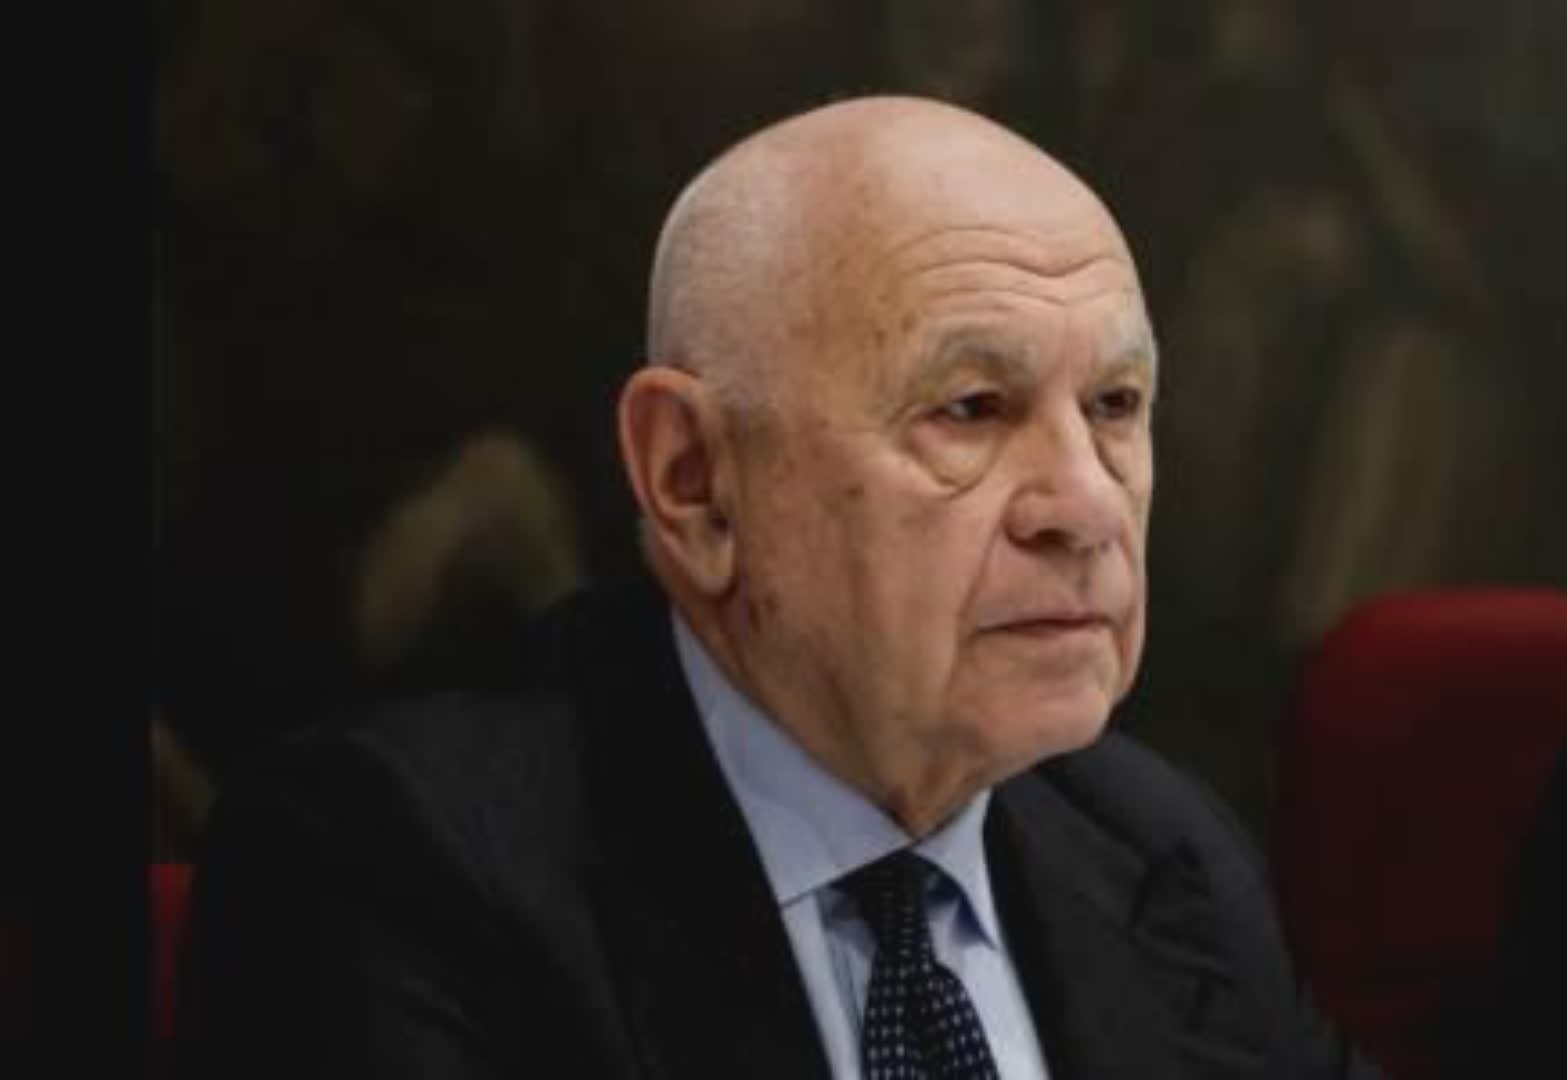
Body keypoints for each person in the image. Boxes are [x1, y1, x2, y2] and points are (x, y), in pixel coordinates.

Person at [175, 96, 1380, 1079]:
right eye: (970, 409)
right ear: (694, 481)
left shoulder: (1155, 847)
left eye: (1115, 405)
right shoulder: (392, 869)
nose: (1085, 503)